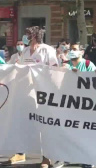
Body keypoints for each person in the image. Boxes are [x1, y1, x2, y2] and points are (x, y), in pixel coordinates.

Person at [14, 26, 57, 167]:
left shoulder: (47, 50)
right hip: (27, 93)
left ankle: (47, 157)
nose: (25, 37)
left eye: (28, 35)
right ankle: (21, 152)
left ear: (35, 36)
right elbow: (19, 70)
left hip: (44, 93)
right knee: (26, 123)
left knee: (45, 125)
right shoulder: (25, 51)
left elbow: (55, 70)